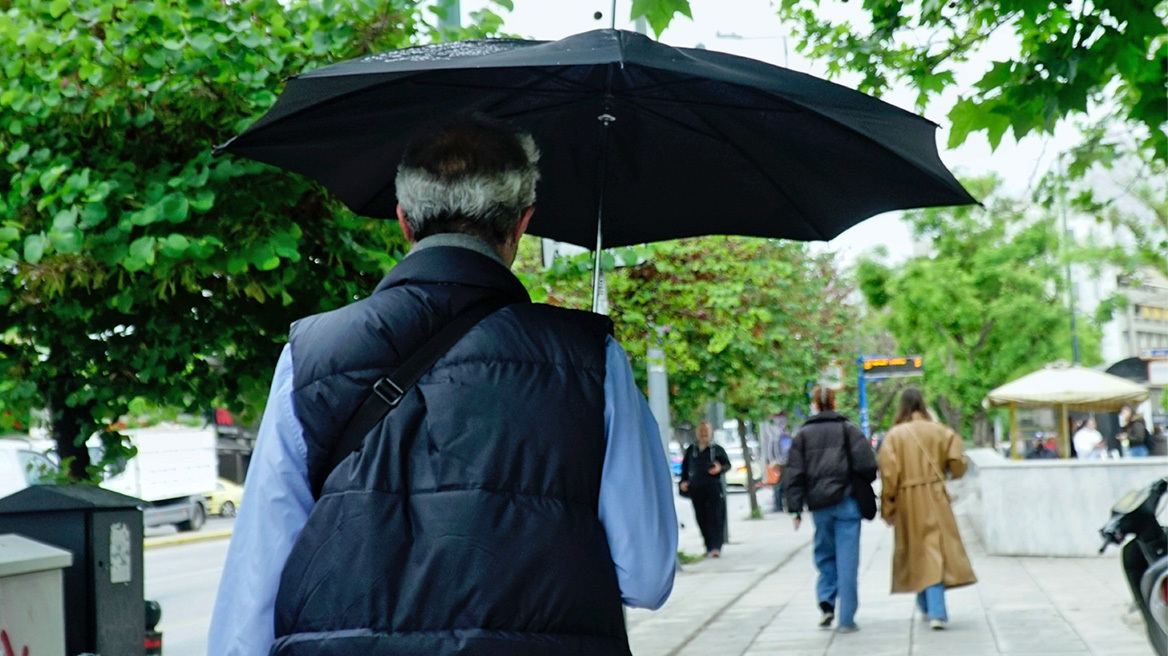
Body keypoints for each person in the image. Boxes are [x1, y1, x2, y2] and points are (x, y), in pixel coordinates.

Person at [208, 117, 678, 656]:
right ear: (522, 225)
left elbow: (252, 592)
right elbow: (647, 576)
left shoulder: (311, 354)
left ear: (404, 221)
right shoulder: (591, 359)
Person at [878, 388, 976, 631]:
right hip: (935, 496)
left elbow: (889, 475)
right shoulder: (940, 431)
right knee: (935, 549)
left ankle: (931, 608)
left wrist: (888, 506)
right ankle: (934, 610)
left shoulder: (894, 436)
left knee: (916, 550)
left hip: (907, 498)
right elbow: (958, 464)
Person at [785, 386, 877, 633]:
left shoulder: (803, 435)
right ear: (834, 402)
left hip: (819, 506)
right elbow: (869, 466)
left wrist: (795, 509)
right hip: (847, 503)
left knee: (825, 555)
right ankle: (846, 619)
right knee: (848, 562)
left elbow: (793, 473)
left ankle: (826, 603)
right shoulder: (848, 430)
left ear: (814, 404)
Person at [679, 421, 732, 557]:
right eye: (701, 431)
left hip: (713, 488)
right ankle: (708, 546)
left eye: (706, 432)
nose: (703, 434)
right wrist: (683, 481)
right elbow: (685, 468)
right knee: (701, 518)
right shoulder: (692, 450)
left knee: (716, 517)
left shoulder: (716, 450)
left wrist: (719, 468)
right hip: (696, 489)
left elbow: (726, 465)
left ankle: (715, 547)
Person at [762, 413, 792, 512]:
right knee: (783, 483)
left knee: (780, 484)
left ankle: (779, 505)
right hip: (785, 459)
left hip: (781, 459)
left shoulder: (774, 430)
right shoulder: (785, 432)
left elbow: (772, 441)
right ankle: (782, 505)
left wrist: (774, 460)